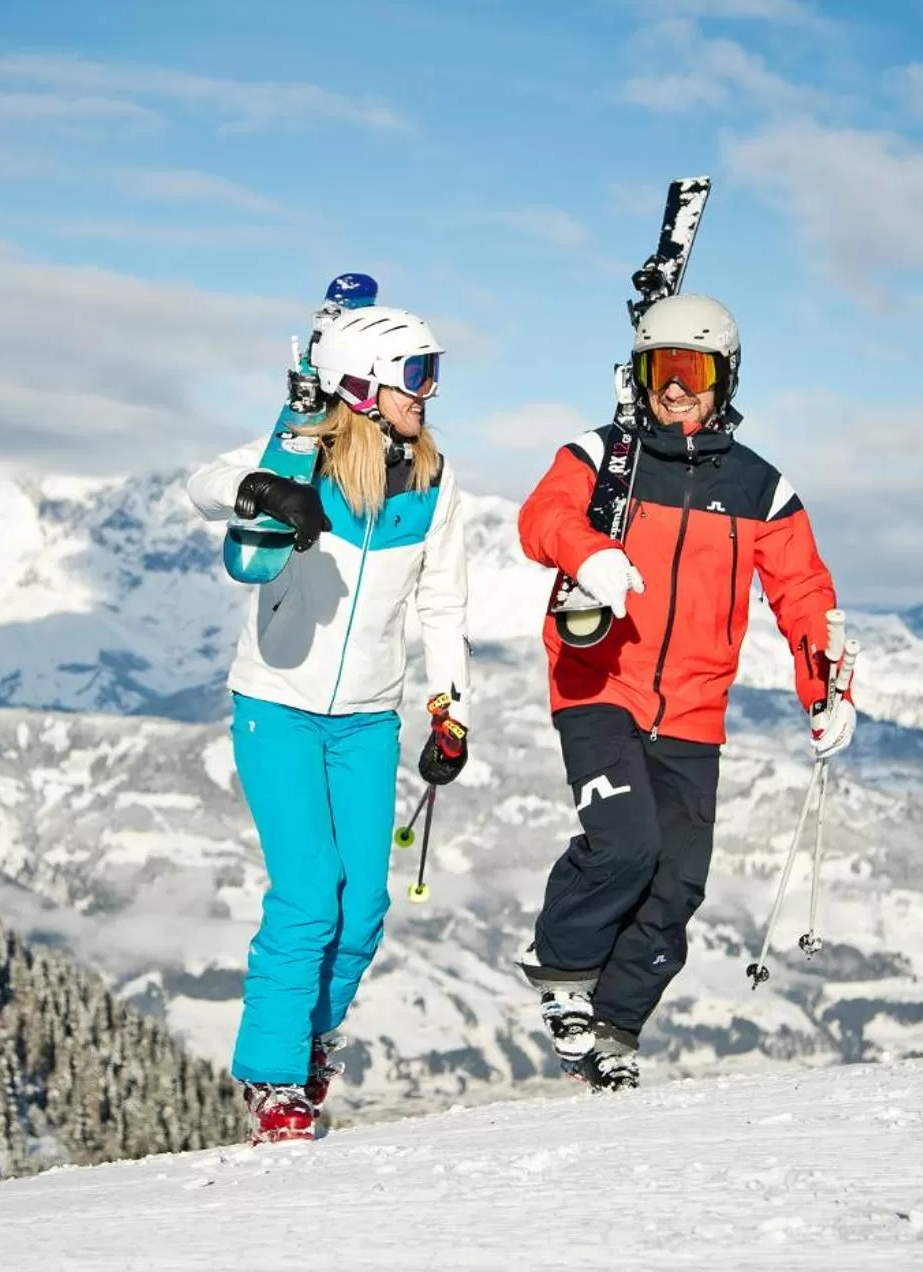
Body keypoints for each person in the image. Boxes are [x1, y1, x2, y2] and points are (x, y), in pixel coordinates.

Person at [514, 294, 856, 1090]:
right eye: (657, 369)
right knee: (626, 844)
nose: (674, 388)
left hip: (696, 710)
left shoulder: (758, 488)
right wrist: (589, 552)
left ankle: (615, 1028)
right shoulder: (601, 458)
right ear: (636, 376)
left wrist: (827, 688)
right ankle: (561, 966)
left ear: (723, 379)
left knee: (678, 884)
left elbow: (803, 591)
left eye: (691, 370)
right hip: (598, 683)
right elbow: (542, 517)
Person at [186, 304, 472, 1144]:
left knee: (367, 904)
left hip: (367, 718)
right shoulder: (302, 451)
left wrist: (449, 708)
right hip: (276, 705)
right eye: (417, 375)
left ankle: (311, 1041)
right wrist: (259, 487)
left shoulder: (434, 478)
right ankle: (272, 1080)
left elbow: (443, 602)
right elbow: (201, 485)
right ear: (366, 383)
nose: (430, 392)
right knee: (309, 893)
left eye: (432, 372)